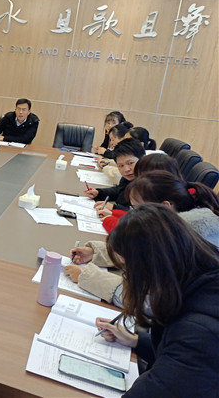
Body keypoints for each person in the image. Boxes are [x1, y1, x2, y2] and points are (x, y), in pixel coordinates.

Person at [95, 205, 219, 396]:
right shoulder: (201, 277)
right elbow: (179, 363)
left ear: (152, 266)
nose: (128, 278)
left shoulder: (199, 332)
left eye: (128, 271)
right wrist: (137, 341)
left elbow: (163, 385)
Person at [65, 171, 219, 305]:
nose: (132, 214)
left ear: (165, 207)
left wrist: (89, 278)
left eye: (138, 208)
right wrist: (97, 253)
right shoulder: (176, 225)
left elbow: (151, 302)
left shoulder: (182, 239)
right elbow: (143, 252)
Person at [85, 138, 146, 213]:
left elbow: (144, 215)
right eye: (121, 165)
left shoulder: (150, 183)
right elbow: (119, 191)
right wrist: (99, 193)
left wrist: (115, 208)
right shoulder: (130, 177)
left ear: (143, 159)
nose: (126, 169)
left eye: (130, 163)